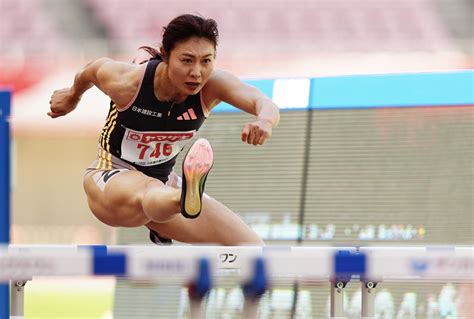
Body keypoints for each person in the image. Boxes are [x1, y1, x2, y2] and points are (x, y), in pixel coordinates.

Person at [48, 14, 279, 248]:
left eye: (206, 61)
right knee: (149, 191)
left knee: (252, 247)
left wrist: (265, 122)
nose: (197, 73)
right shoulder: (128, 82)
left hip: (166, 190)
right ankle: (181, 200)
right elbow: (91, 70)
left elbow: (263, 102)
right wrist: (72, 96)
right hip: (110, 180)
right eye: (187, 61)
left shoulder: (213, 86)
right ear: (166, 54)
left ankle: (182, 207)